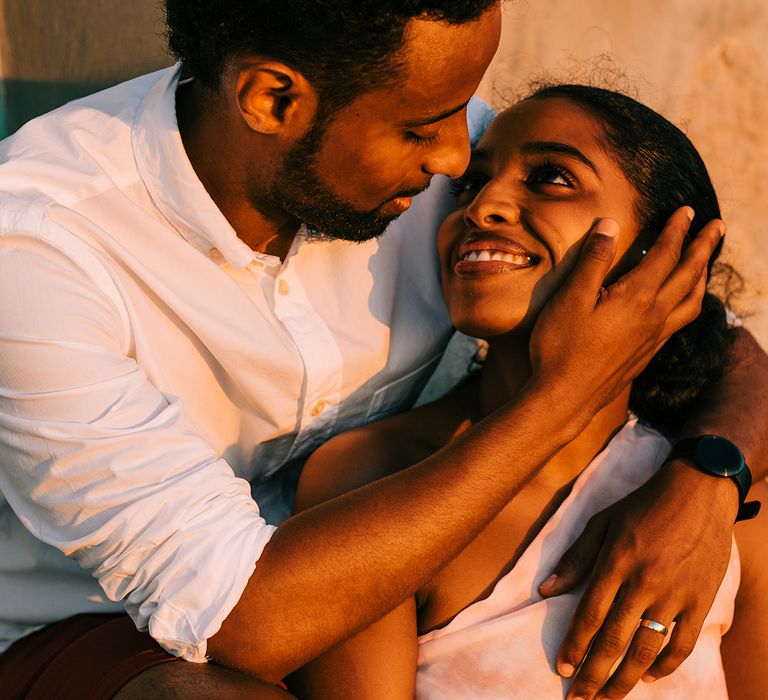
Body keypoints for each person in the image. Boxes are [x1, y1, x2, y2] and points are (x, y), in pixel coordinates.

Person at [0, 2, 765, 698]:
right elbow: (243, 623)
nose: (456, 163)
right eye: (426, 125)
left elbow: (714, 337)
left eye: (465, 112)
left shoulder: (453, 156)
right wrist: (558, 398)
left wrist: (709, 483)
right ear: (274, 100)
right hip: (99, 631)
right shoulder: (36, 248)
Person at [288, 84, 768, 700]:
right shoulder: (374, 474)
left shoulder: (725, 509)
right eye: (470, 185)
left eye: (552, 178)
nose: (482, 206)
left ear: (663, 255)